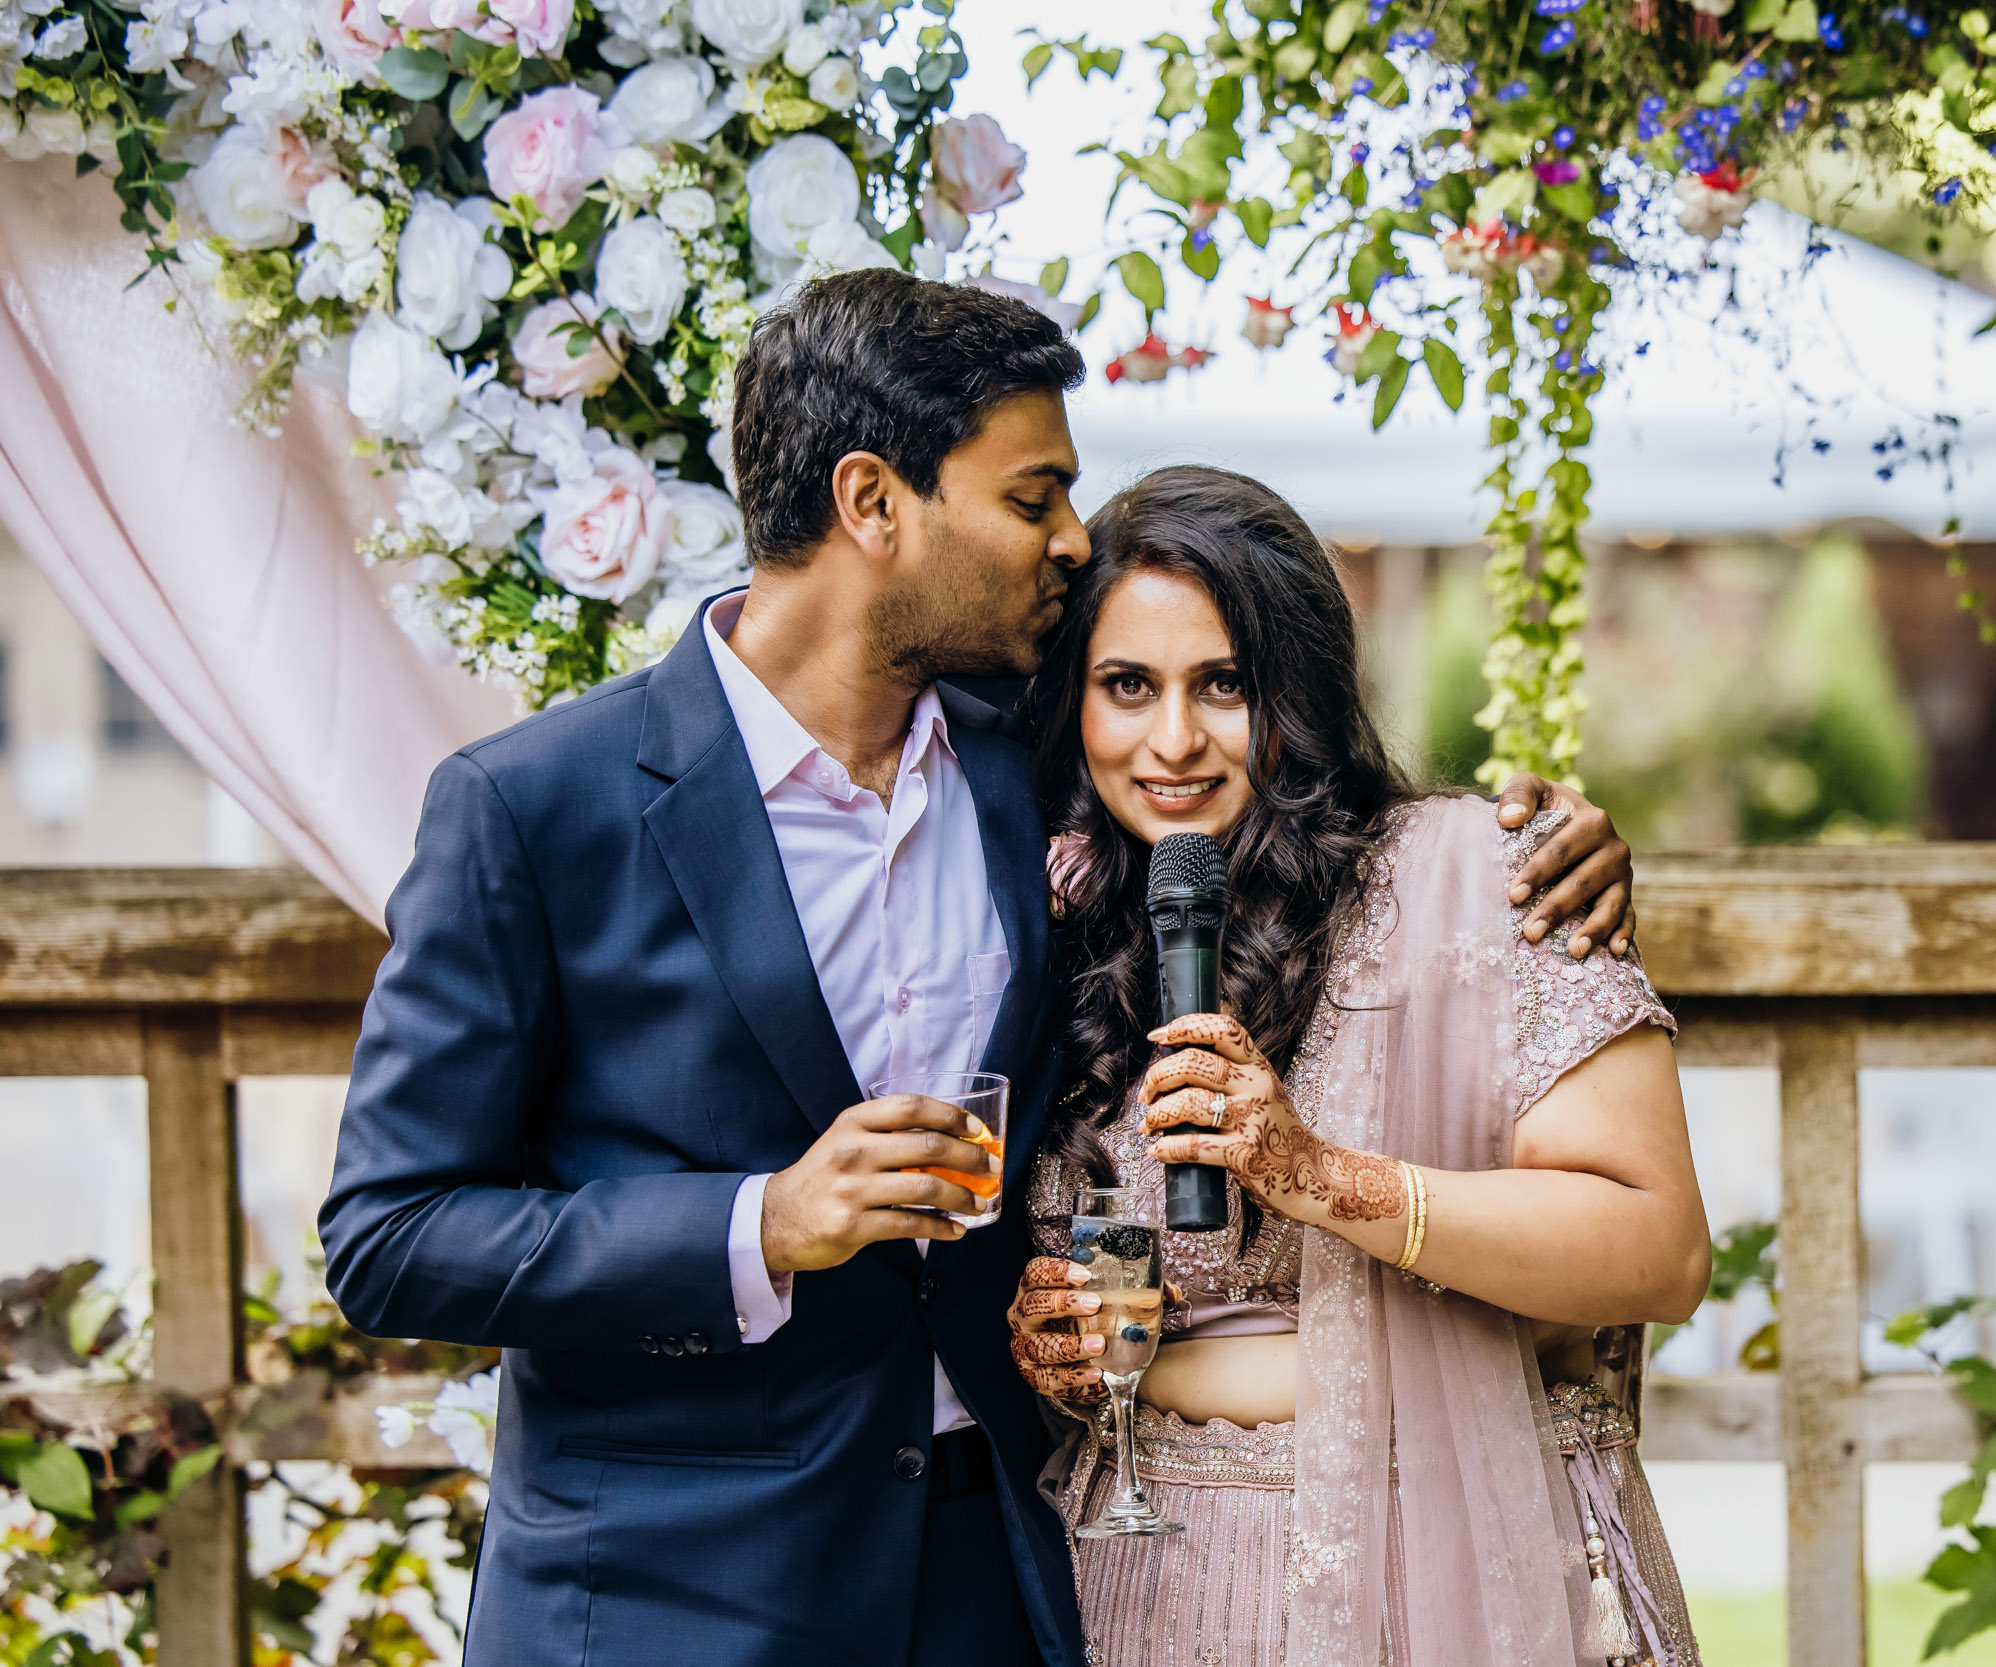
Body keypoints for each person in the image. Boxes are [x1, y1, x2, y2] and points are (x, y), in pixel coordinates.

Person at [318, 271, 1641, 1667]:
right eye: (1032, 498)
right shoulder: (536, 808)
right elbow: (389, 1234)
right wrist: (759, 1221)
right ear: (875, 503)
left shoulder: (1039, 765)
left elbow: (1293, 802)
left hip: (1006, 1571)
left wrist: (1555, 851)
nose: (1073, 540)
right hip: (671, 1591)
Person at [1009, 466, 1713, 1667]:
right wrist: (1051, 1342)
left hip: (1440, 1577)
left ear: (1299, 687)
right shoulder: (1061, 923)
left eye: (1222, 684)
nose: (1171, 739)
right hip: (1147, 1584)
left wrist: (1315, 1172)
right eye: (1127, 685)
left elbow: (1659, 1248)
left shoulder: (1480, 877)